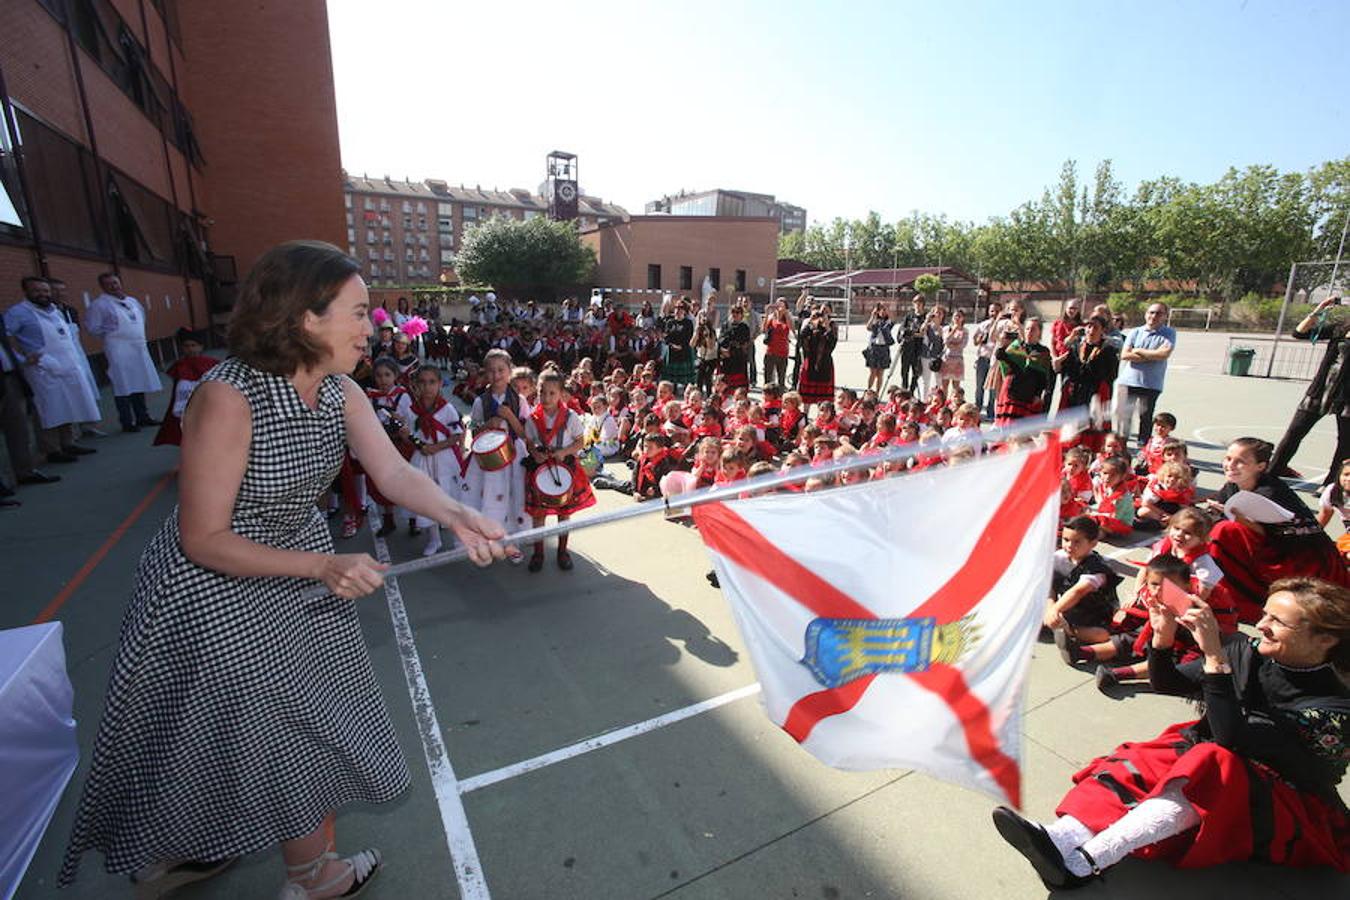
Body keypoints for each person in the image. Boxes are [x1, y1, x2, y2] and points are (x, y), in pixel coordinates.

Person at [58, 241, 508, 898]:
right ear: (305, 316)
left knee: (250, 727)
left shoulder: (340, 390)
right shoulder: (227, 397)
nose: (372, 327)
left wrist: (458, 513)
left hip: (298, 574)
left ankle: (192, 853)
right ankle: (308, 876)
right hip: (217, 588)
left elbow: (393, 471)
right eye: (357, 313)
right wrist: (322, 565)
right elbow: (203, 538)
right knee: (265, 730)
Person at [994, 577, 1350, 888]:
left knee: (1209, 762)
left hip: (1284, 797)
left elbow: (1233, 739)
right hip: (1225, 757)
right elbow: (1171, 682)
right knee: (1147, 757)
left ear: (1324, 641)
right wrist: (1162, 638)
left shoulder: (1333, 710)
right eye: (1266, 614)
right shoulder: (1251, 650)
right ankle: (1059, 837)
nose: (1262, 624)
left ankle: (1085, 862)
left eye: (1278, 621)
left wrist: (1214, 655)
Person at [1204, 437, 1350, 623]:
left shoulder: (1271, 492)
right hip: (1278, 547)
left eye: (1240, 461)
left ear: (1261, 466)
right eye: (1228, 458)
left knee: (1224, 531)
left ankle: (1240, 600)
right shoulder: (1233, 486)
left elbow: (1289, 536)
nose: (1230, 465)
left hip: (1303, 556)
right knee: (1212, 528)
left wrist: (1240, 520)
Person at [4, 276, 100, 464]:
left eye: (45, 291)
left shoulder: (55, 311)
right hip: (42, 369)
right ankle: (51, 449)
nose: (43, 294)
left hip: (67, 366)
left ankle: (68, 442)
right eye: (37, 291)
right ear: (26, 292)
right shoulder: (18, 313)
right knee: (49, 408)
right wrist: (21, 359)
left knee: (68, 403)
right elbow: (5, 338)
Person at [1271, 293, 1350, 481]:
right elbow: (1299, 333)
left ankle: (1332, 484)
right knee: (1295, 432)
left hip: (1347, 397)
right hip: (1321, 390)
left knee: (1345, 442)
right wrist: (1319, 309)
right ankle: (1274, 470)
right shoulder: (1341, 328)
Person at [523, 370, 596, 571]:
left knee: (564, 513)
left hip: (565, 468)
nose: (546, 398)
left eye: (552, 393)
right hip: (540, 468)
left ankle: (562, 551)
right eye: (542, 392)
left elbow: (581, 441)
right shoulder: (532, 418)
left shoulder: (570, 418)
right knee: (539, 515)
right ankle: (538, 553)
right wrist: (534, 453)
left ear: (561, 394)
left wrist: (564, 451)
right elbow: (529, 441)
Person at [87, 272, 163, 433]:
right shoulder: (99, 304)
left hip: (138, 347)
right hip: (118, 349)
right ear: (102, 286)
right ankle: (127, 421)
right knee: (123, 384)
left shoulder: (132, 301)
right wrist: (109, 330)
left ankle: (143, 416)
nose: (113, 286)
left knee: (139, 381)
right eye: (109, 284)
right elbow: (93, 328)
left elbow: (141, 319)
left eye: (115, 282)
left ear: (120, 283)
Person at [406, 365, 467, 557]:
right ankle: (434, 539)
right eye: (422, 382)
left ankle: (458, 538)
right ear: (416, 386)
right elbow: (410, 435)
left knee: (450, 498)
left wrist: (436, 447)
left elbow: (457, 435)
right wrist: (414, 442)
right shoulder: (411, 410)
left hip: (444, 460)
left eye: (432, 382)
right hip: (423, 461)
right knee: (428, 499)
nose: (427, 387)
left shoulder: (447, 408)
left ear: (440, 384)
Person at [0, 306, 60, 495]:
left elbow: (6, 345)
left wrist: (20, 361)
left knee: (18, 428)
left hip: (8, 377)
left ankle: (24, 471)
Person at [1055, 314, 1119, 453]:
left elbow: (1111, 375)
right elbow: (1066, 369)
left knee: (1091, 429)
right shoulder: (1076, 346)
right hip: (1075, 394)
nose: (1090, 330)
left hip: (1094, 395)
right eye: (1088, 326)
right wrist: (1058, 364)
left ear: (1102, 330)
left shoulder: (1108, 350)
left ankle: (1090, 456)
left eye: (1095, 327)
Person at [1115, 302, 1175, 448]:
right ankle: (1121, 447)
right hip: (1128, 381)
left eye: (1158, 313)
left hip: (1151, 384)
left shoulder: (1169, 333)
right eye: (1151, 312)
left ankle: (1143, 450)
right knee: (1124, 417)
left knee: (1146, 418)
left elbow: (1164, 354)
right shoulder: (1135, 332)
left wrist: (1138, 351)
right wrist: (1150, 355)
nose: (1154, 316)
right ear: (1146, 314)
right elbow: (1125, 355)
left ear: (1165, 316)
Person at [153, 328, 219, 447]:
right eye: (186, 346)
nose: (190, 349)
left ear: (201, 347)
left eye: (194, 345)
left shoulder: (211, 363)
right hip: (184, 402)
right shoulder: (180, 365)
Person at [993, 317, 1052, 426]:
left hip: (1028, 391)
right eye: (1028, 329)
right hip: (1011, 388)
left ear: (1039, 332)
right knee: (1006, 426)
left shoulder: (1043, 352)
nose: (1029, 332)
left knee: (1022, 431)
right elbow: (1000, 355)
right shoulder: (1016, 346)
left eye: (1033, 329)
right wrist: (1003, 342)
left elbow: (1044, 376)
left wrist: (1038, 394)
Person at [796, 307, 838, 408]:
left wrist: (827, 326)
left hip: (825, 363)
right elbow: (801, 337)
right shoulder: (812, 326)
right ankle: (805, 414)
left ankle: (823, 414)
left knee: (823, 395)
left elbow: (832, 343)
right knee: (807, 394)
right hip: (811, 361)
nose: (822, 317)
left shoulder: (832, 326)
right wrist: (811, 321)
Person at [972, 299, 1002, 419]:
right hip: (982, 358)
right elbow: (975, 341)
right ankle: (977, 409)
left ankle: (990, 412)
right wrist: (979, 339)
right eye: (991, 311)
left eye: (996, 311)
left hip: (995, 359)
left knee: (993, 388)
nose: (993, 313)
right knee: (979, 386)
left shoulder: (1003, 325)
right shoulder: (983, 324)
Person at [661, 298, 696, 390]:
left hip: (684, 351)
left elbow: (689, 337)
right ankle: (673, 389)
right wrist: (672, 345)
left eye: (680, 308)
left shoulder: (688, 323)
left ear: (684, 311)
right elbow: (666, 336)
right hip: (672, 351)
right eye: (676, 308)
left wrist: (681, 346)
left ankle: (686, 390)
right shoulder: (670, 322)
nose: (678, 310)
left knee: (685, 377)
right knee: (672, 376)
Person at [716, 303, 752, 388]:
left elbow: (744, 343)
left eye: (737, 312)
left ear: (741, 315)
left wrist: (731, 351)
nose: (735, 314)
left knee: (738, 386)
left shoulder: (744, 327)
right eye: (733, 312)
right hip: (726, 360)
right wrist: (722, 350)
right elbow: (720, 338)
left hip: (738, 359)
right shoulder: (725, 325)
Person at [897, 295, 927, 394]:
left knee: (916, 371)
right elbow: (902, 329)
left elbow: (923, 333)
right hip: (907, 347)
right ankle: (904, 389)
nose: (917, 306)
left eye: (919, 303)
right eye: (915, 303)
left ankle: (911, 391)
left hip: (918, 348)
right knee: (904, 370)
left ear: (923, 305)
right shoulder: (909, 316)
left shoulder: (925, 317)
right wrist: (906, 335)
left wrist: (912, 334)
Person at [862, 303, 894, 394]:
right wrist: (873, 316)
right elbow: (868, 327)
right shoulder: (875, 320)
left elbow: (892, 320)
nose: (883, 311)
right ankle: (868, 391)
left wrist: (888, 310)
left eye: (885, 309)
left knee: (880, 373)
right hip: (874, 348)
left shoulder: (888, 322)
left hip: (884, 348)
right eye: (881, 309)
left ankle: (877, 393)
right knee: (873, 372)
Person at [762, 300, 793, 388]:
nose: (778, 306)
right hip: (770, 351)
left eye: (781, 304)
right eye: (777, 304)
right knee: (768, 377)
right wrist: (767, 313)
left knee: (781, 378)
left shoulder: (787, 318)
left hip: (783, 352)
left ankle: (780, 396)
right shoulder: (772, 318)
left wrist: (785, 313)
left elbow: (791, 328)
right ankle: (767, 395)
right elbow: (763, 329)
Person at [940, 308, 968, 397]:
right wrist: (953, 330)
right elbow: (945, 341)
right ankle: (944, 404)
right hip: (946, 359)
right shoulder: (946, 329)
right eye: (955, 316)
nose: (957, 318)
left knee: (956, 386)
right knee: (944, 385)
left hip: (958, 360)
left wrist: (952, 344)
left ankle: (954, 403)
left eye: (959, 316)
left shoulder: (965, 331)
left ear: (963, 318)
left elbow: (962, 345)